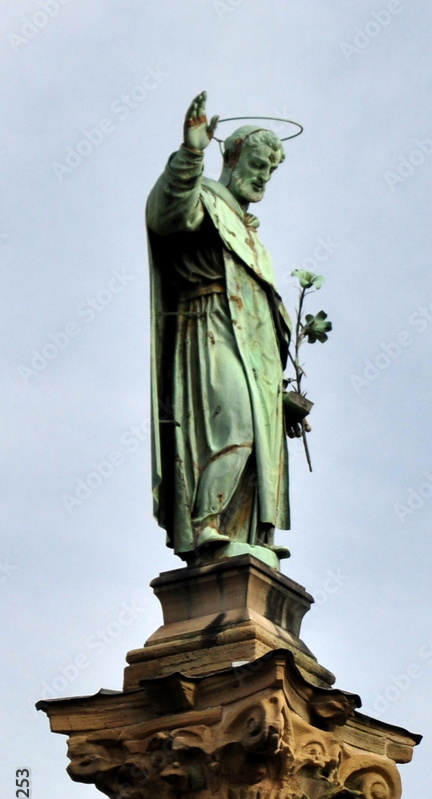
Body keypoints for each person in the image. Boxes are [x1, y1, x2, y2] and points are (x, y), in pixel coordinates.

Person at [147, 92, 294, 569]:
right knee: (233, 425)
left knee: (260, 444)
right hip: (209, 324)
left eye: (270, 172)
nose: (263, 178)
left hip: (259, 355)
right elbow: (167, 213)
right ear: (231, 158)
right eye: (256, 165)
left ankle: (243, 533)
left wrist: (283, 392)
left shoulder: (256, 239)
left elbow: (267, 316)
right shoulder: (205, 199)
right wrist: (191, 155)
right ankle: (206, 524)